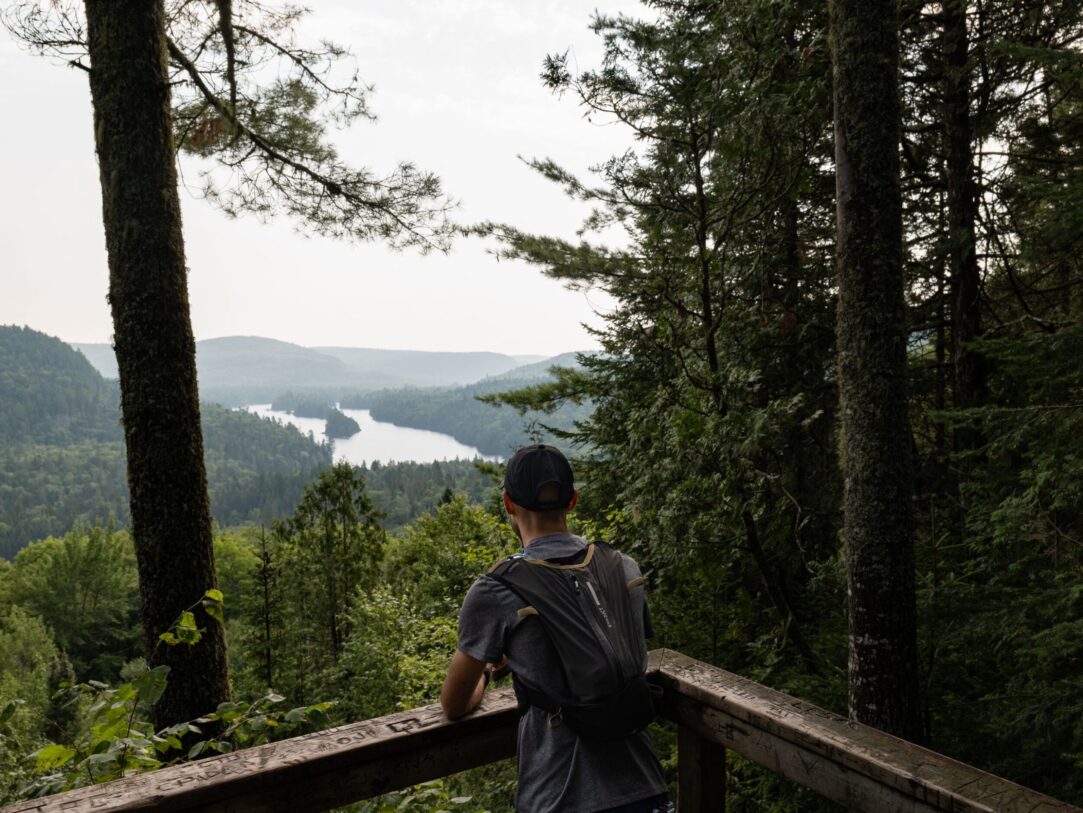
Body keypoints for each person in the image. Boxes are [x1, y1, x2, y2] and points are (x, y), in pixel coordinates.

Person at [440, 444, 671, 813]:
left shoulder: (497, 589)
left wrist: (488, 669)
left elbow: (454, 703)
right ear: (573, 500)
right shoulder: (624, 568)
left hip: (558, 797)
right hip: (645, 790)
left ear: (508, 504)